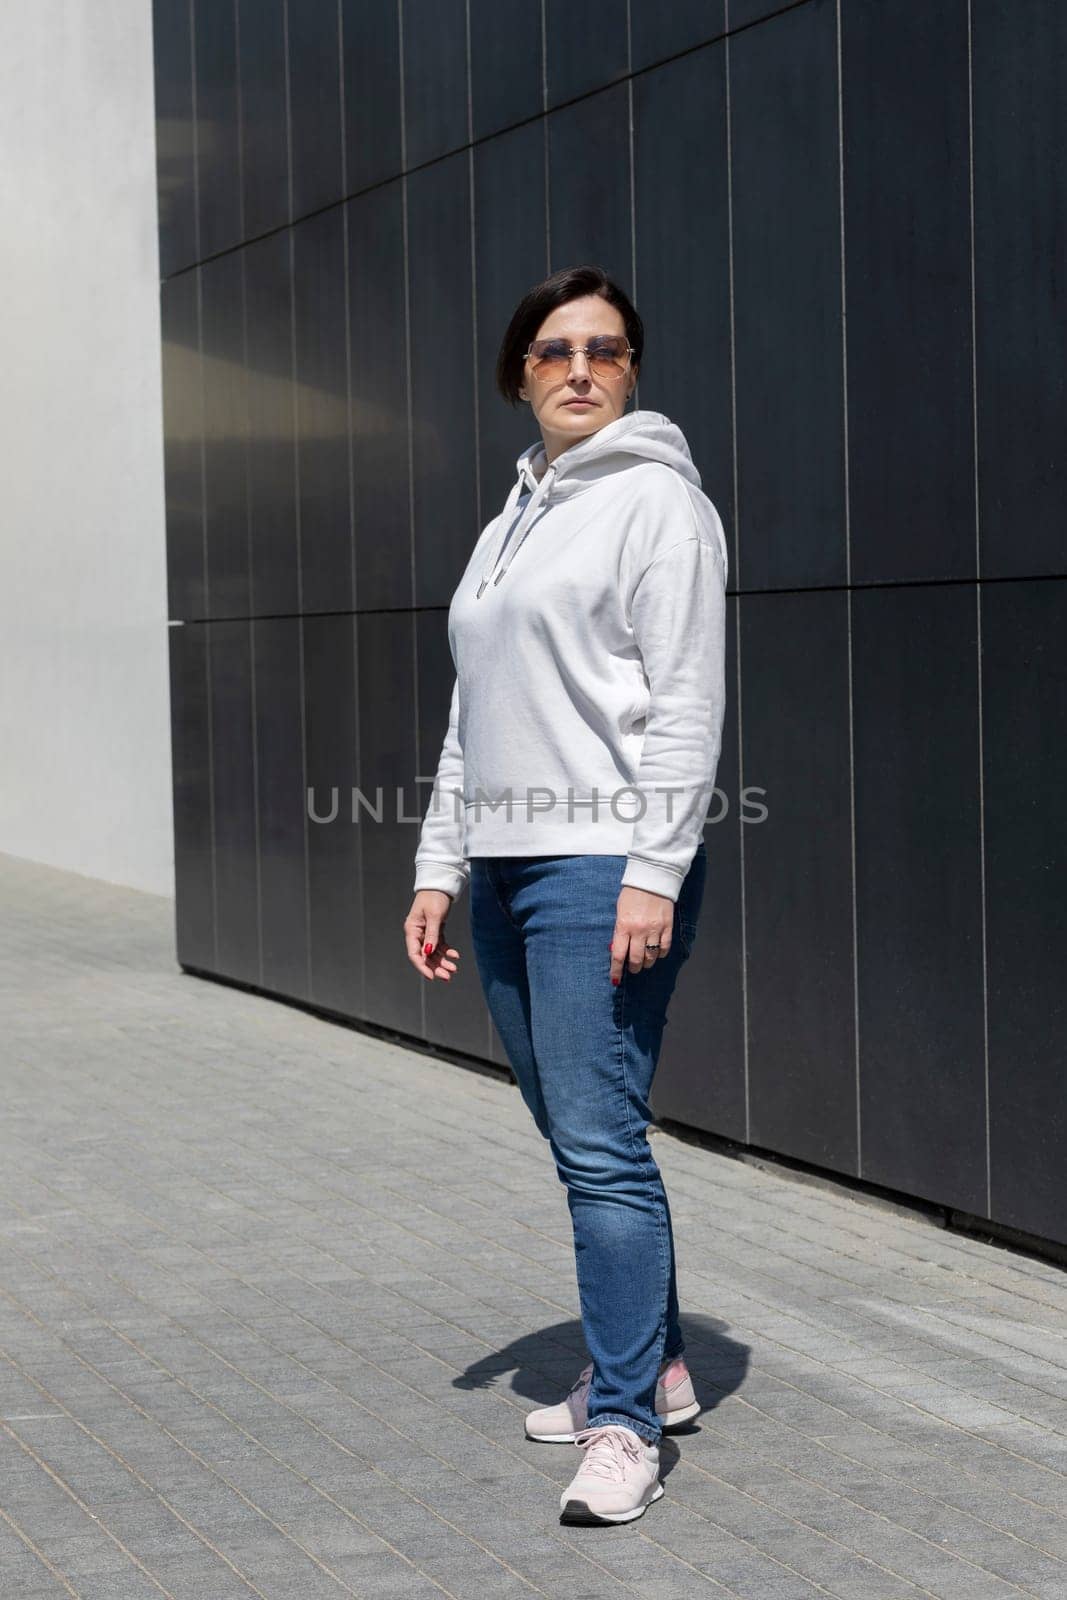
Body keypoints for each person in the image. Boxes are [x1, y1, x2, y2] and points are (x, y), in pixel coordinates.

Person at [404, 263, 728, 1525]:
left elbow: (687, 701)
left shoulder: (658, 505)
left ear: (631, 369)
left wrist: (654, 871)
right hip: (501, 870)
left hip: (601, 866)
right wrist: (440, 864)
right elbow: (469, 716)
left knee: (599, 1144)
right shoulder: (507, 524)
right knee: (575, 1130)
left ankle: (628, 1425)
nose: (577, 367)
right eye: (552, 351)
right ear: (518, 374)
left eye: (601, 348)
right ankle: (655, 1362)